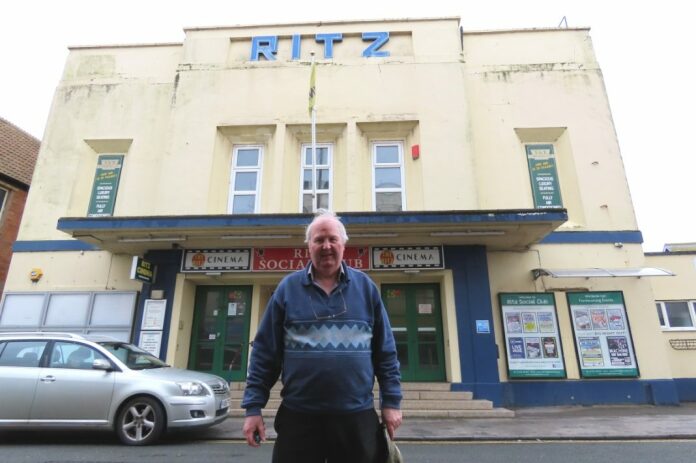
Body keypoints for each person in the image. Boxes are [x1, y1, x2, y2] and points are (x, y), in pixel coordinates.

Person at [242, 209, 402, 463]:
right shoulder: (287, 290)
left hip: (356, 418)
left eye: (332, 239)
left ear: (343, 244)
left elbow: (385, 352)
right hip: (299, 419)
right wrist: (253, 408)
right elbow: (265, 353)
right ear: (308, 246)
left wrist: (391, 402)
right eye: (318, 240)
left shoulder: (366, 288)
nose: (326, 246)